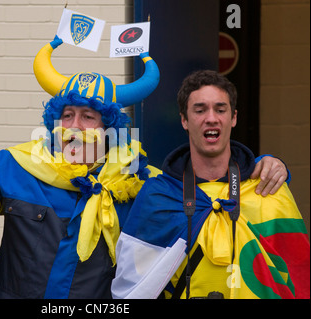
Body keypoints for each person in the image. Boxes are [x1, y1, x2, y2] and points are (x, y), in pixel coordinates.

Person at [0, 38, 288, 299]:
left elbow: (209, 185)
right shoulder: (17, 166)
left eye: (88, 117)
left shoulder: (141, 184)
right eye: (66, 116)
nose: (74, 128)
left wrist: (262, 164)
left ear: (109, 128)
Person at [111, 70, 310, 299]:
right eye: (200, 110)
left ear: (233, 118)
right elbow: (133, 286)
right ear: (184, 120)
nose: (211, 118)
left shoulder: (267, 190)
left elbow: (297, 277)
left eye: (220, 109)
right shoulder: (157, 196)